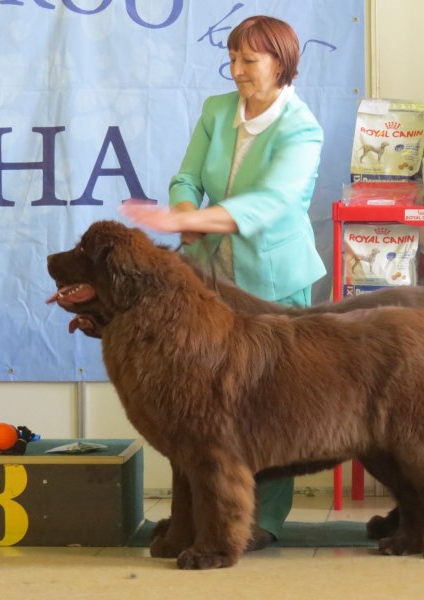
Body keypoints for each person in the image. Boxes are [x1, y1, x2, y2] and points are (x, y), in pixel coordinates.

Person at [120, 15, 326, 550]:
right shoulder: (217, 110)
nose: (235, 71)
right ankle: (197, 516)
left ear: (281, 64)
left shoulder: (302, 128)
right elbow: (186, 178)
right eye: (232, 59)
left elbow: (269, 204)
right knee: (196, 403)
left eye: (248, 61)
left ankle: (263, 520)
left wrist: (182, 222)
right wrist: (184, 209)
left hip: (275, 282)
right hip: (209, 278)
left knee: (275, 406)